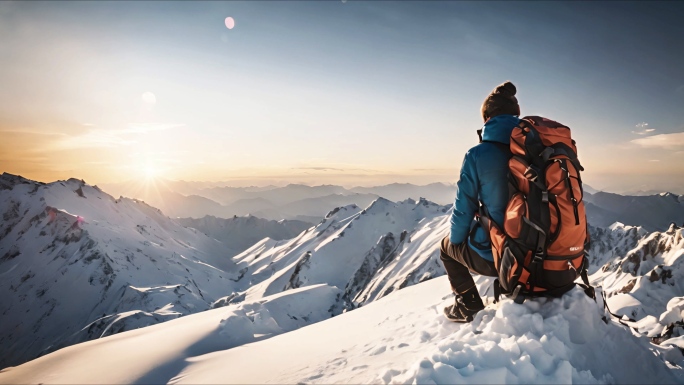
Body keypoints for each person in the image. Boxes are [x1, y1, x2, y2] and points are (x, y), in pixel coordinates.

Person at [441, 81, 521, 322]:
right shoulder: (536, 149)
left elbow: (463, 210)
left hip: (503, 255)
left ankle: (468, 306)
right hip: (544, 251)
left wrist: (456, 244)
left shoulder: (477, 155)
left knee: (446, 248)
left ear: (487, 118)